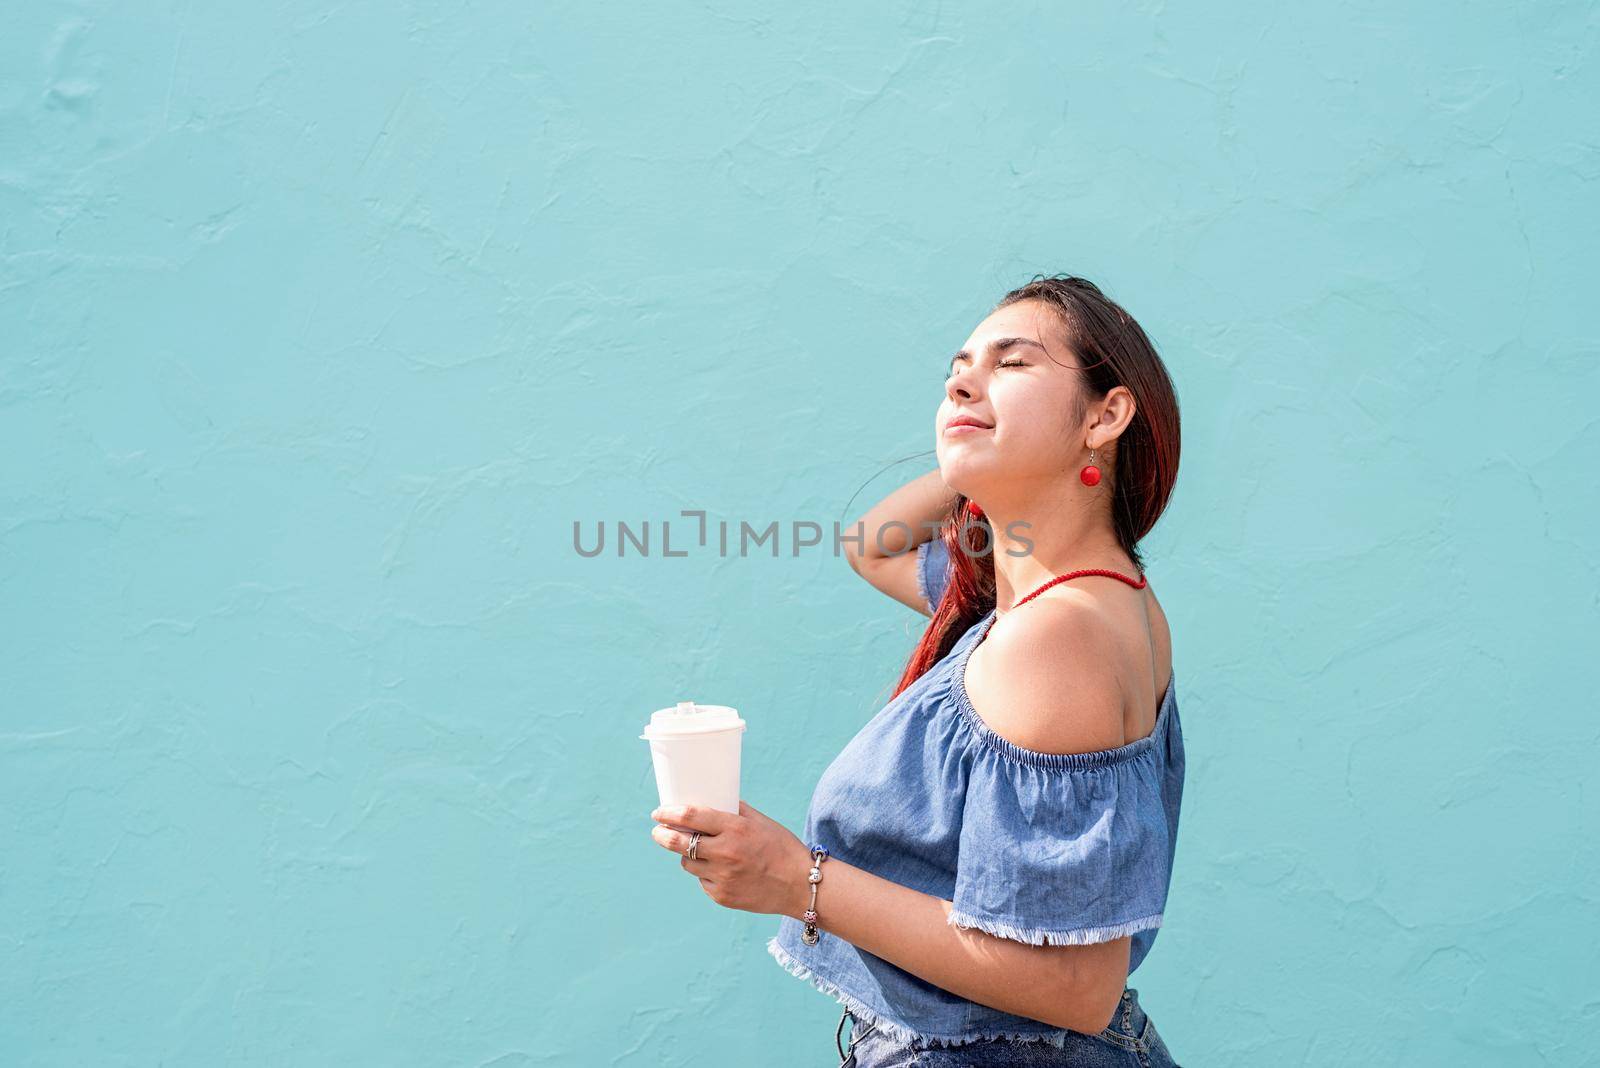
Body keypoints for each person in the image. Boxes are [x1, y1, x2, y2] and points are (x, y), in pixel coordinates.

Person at [647, 274, 1185, 1065]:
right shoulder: (1055, 597)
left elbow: (1076, 986)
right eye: (957, 369)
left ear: (1106, 413)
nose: (963, 380)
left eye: (1013, 363)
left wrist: (797, 879)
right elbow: (874, 542)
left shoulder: (1054, 638)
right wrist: (984, 450)